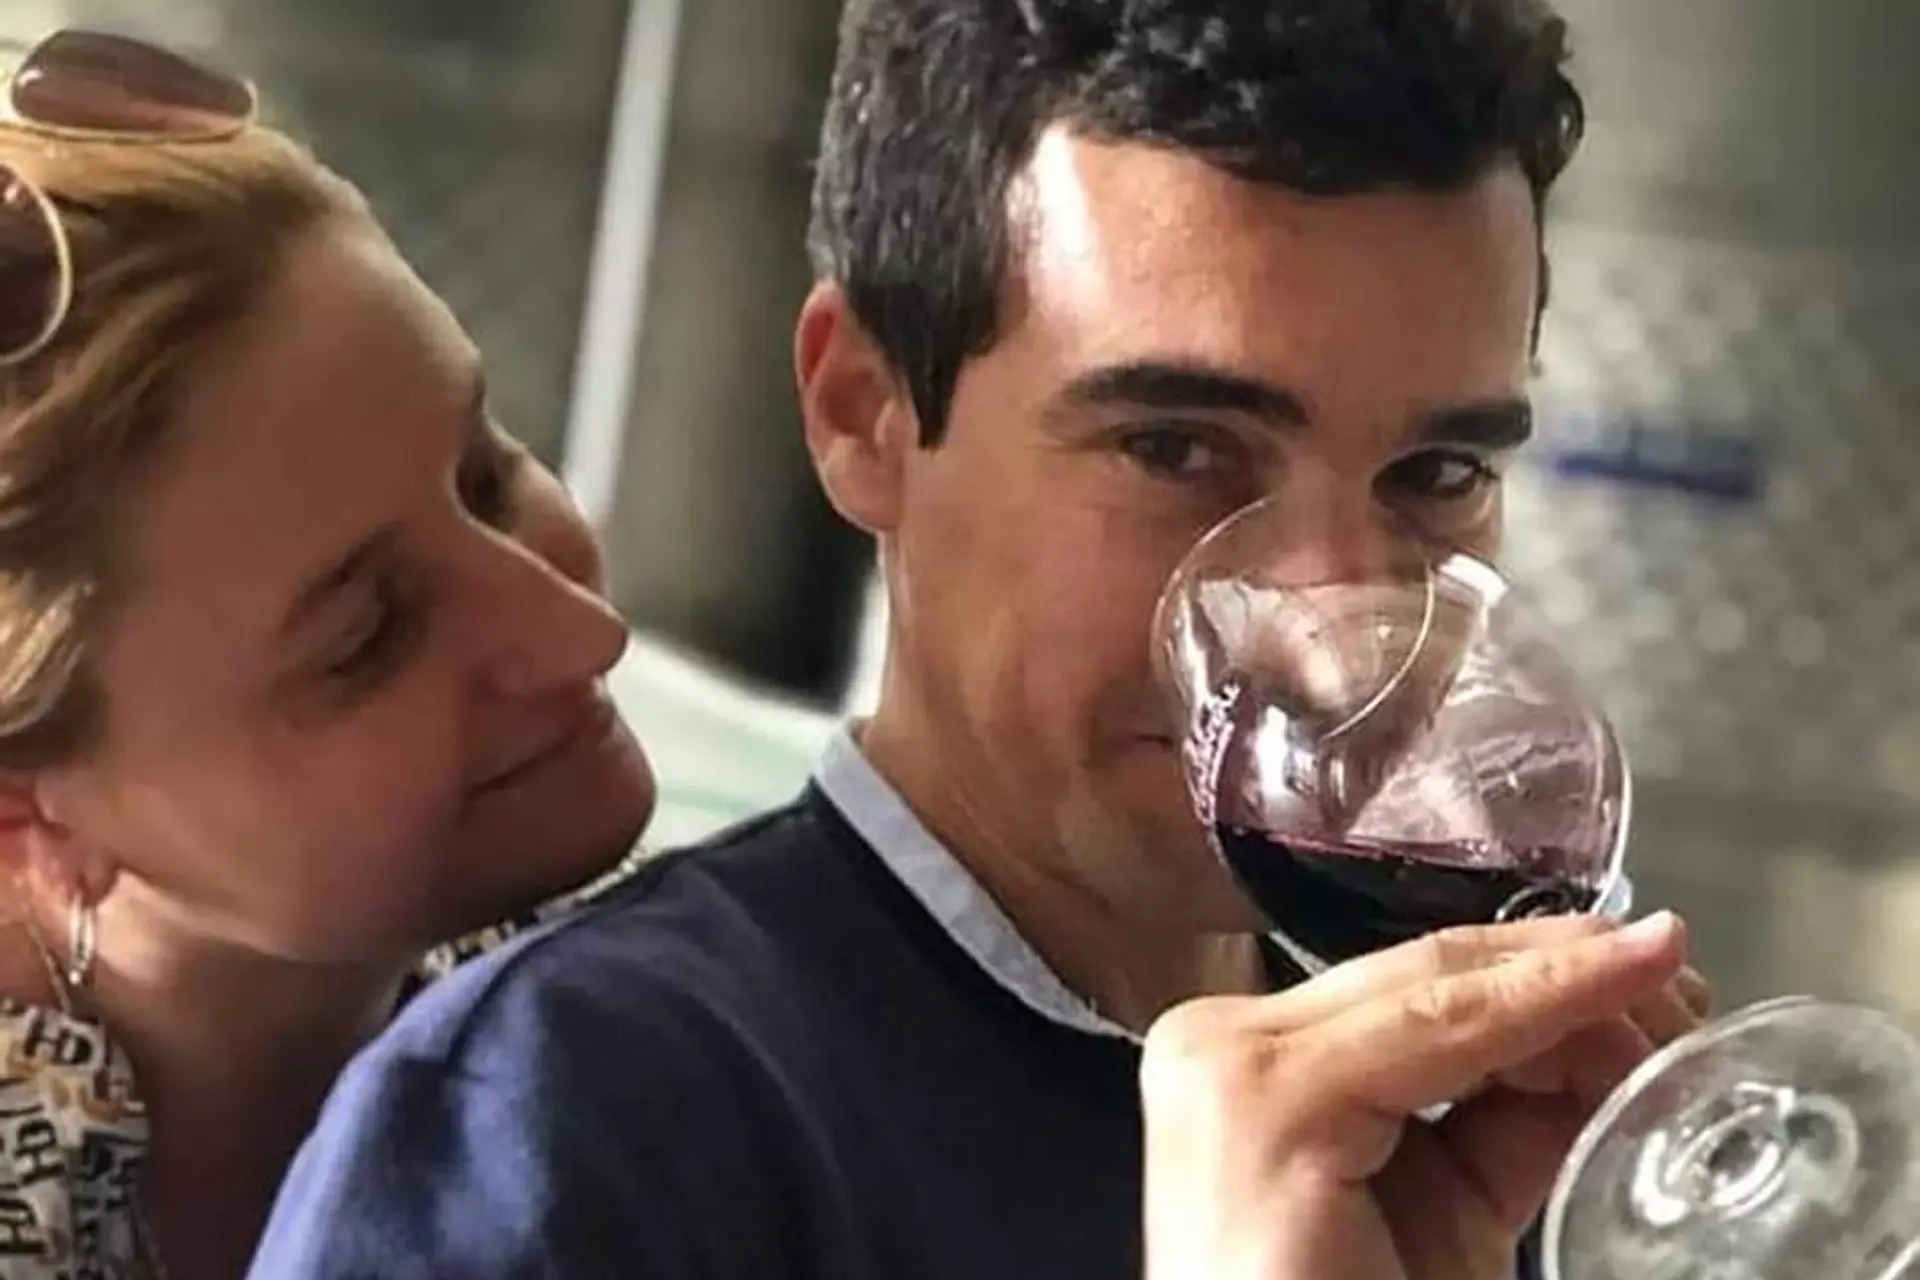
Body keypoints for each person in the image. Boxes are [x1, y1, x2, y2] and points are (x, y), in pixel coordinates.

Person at [253, 1, 1709, 1276]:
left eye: (1438, 475)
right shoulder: (567, 1124)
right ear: (864, 413)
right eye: (1175, 448)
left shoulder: (1495, 1135)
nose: (1337, 649)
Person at [0, 31, 665, 1278]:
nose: (585, 633)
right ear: (26, 815)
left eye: (487, 474)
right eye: (366, 637)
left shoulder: (669, 984)